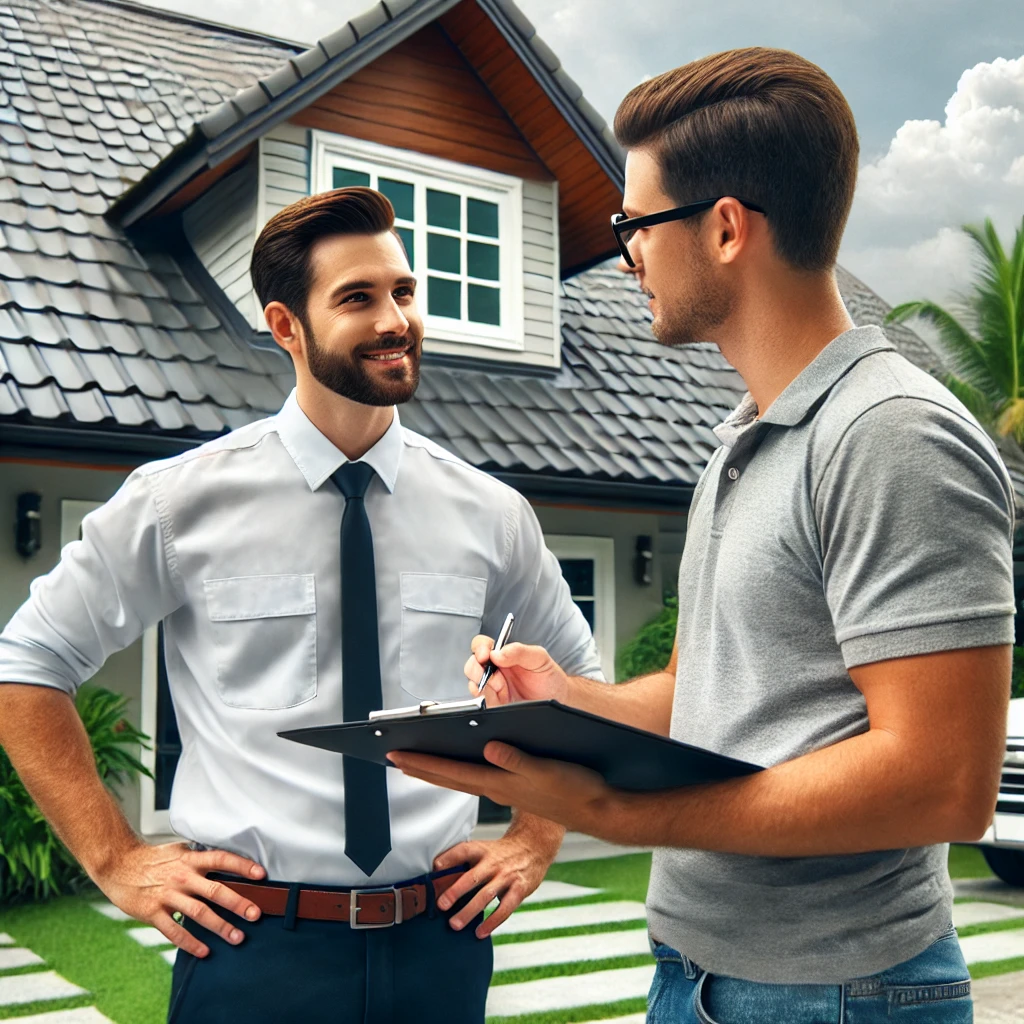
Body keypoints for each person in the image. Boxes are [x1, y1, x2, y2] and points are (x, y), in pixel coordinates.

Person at [388, 48, 1015, 1023]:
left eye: (633, 223)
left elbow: (941, 781)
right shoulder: (738, 445)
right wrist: (567, 699)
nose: (624, 252)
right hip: (695, 974)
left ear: (725, 227)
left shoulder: (891, 434)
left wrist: (623, 815)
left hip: (837, 996)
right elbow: (698, 694)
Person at [0, 187, 603, 1024]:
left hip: (442, 943)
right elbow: (25, 665)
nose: (395, 318)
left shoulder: (489, 512)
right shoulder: (179, 504)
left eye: (402, 292)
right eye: (357, 298)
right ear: (287, 326)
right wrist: (116, 859)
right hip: (253, 949)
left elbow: (574, 679)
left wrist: (534, 839)